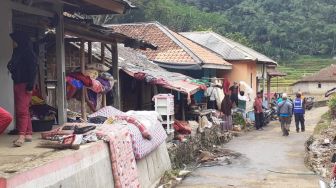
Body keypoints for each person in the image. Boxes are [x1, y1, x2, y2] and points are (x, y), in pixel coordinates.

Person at [7, 31, 37, 147]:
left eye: (14, 40)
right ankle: (28, 133)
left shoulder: (29, 53)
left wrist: (30, 86)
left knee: (21, 110)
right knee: (24, 109)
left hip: (25, 84)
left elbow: (33, 71)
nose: (13, 43)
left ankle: (21, 136)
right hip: (18, 82)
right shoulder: (17, 52)